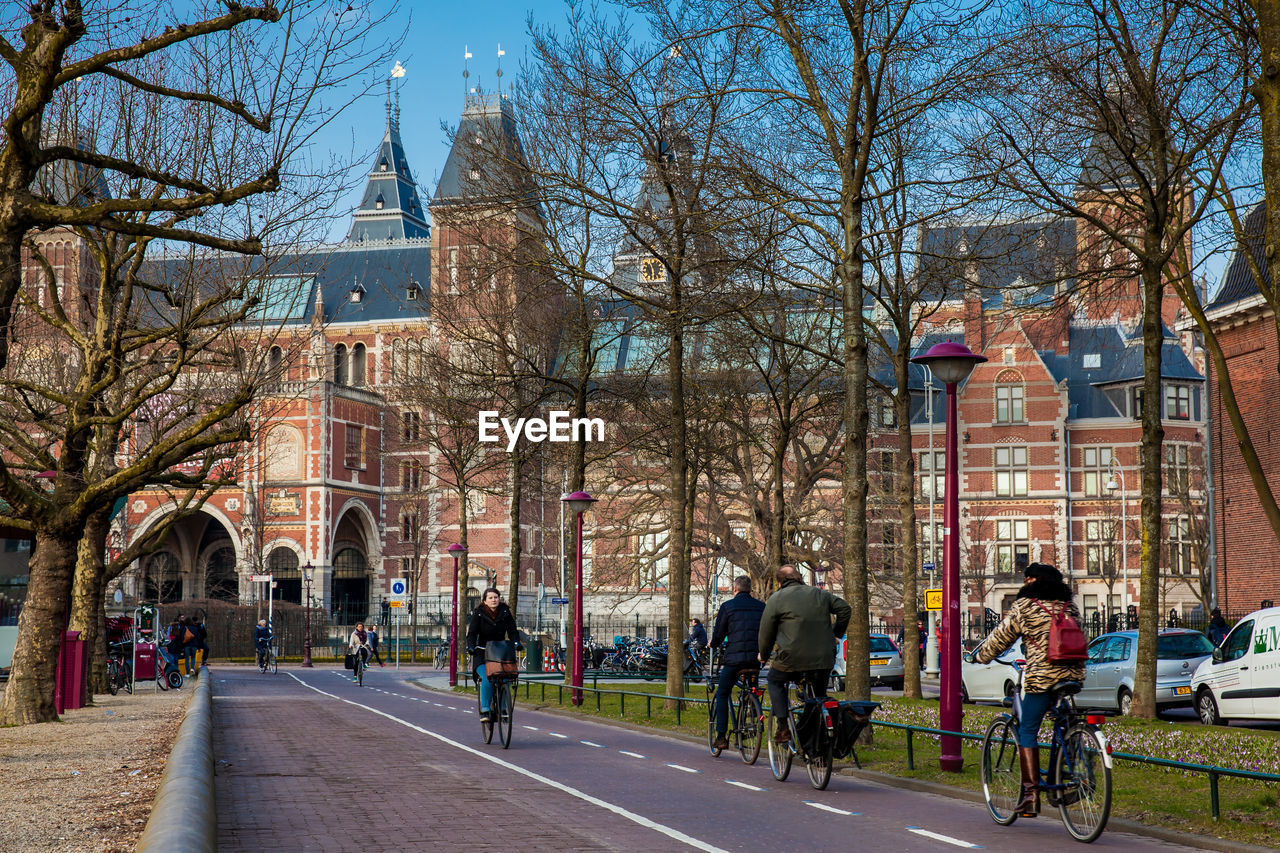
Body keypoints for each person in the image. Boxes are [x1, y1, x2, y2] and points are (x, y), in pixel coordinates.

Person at [971, 562, 1086, 819]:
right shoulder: (1070, 606)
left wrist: (980, 656)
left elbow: (1001, 637)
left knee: (1028, 730)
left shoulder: (1026, 606)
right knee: (1065, 720)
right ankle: (1073, 771)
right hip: (1073, 674)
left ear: (1032, 581)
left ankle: (1031, 796)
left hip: (1043, 677)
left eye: (1026, 579)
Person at [757, 565, 852, 744]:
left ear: (780, 582)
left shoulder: (776, 599)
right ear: (799, 578)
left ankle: (783, 727)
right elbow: (845, 609)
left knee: (775, 681)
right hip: (823, 659)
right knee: (817, 698)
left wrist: (763, 653)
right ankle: (817, 747)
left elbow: (766, 631)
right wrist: (836, 633)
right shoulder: (820, 594)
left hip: (790, 659)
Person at [709, 575, 766, 751]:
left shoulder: (728, 607)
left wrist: (714, 643)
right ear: (750, 590)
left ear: (735, 590)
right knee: (752, 687)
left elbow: (719, 633)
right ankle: (753, 710)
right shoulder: (762, 607)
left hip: (734, 660)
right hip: (755, 660)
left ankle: (721, 736)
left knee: (723, 693)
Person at [465, 588, 520, 723]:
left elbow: (512, 631)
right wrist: (471, 646)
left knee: (506, 678)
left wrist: (516, 643)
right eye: (490, 598)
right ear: (484, 601)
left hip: (500, 653)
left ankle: (502, 708)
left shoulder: (505, 612)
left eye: (496, 597)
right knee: (487, 677)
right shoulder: (479, 614)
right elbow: (472, 633)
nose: (494, 600)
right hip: (482, 653)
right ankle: (485, 710)